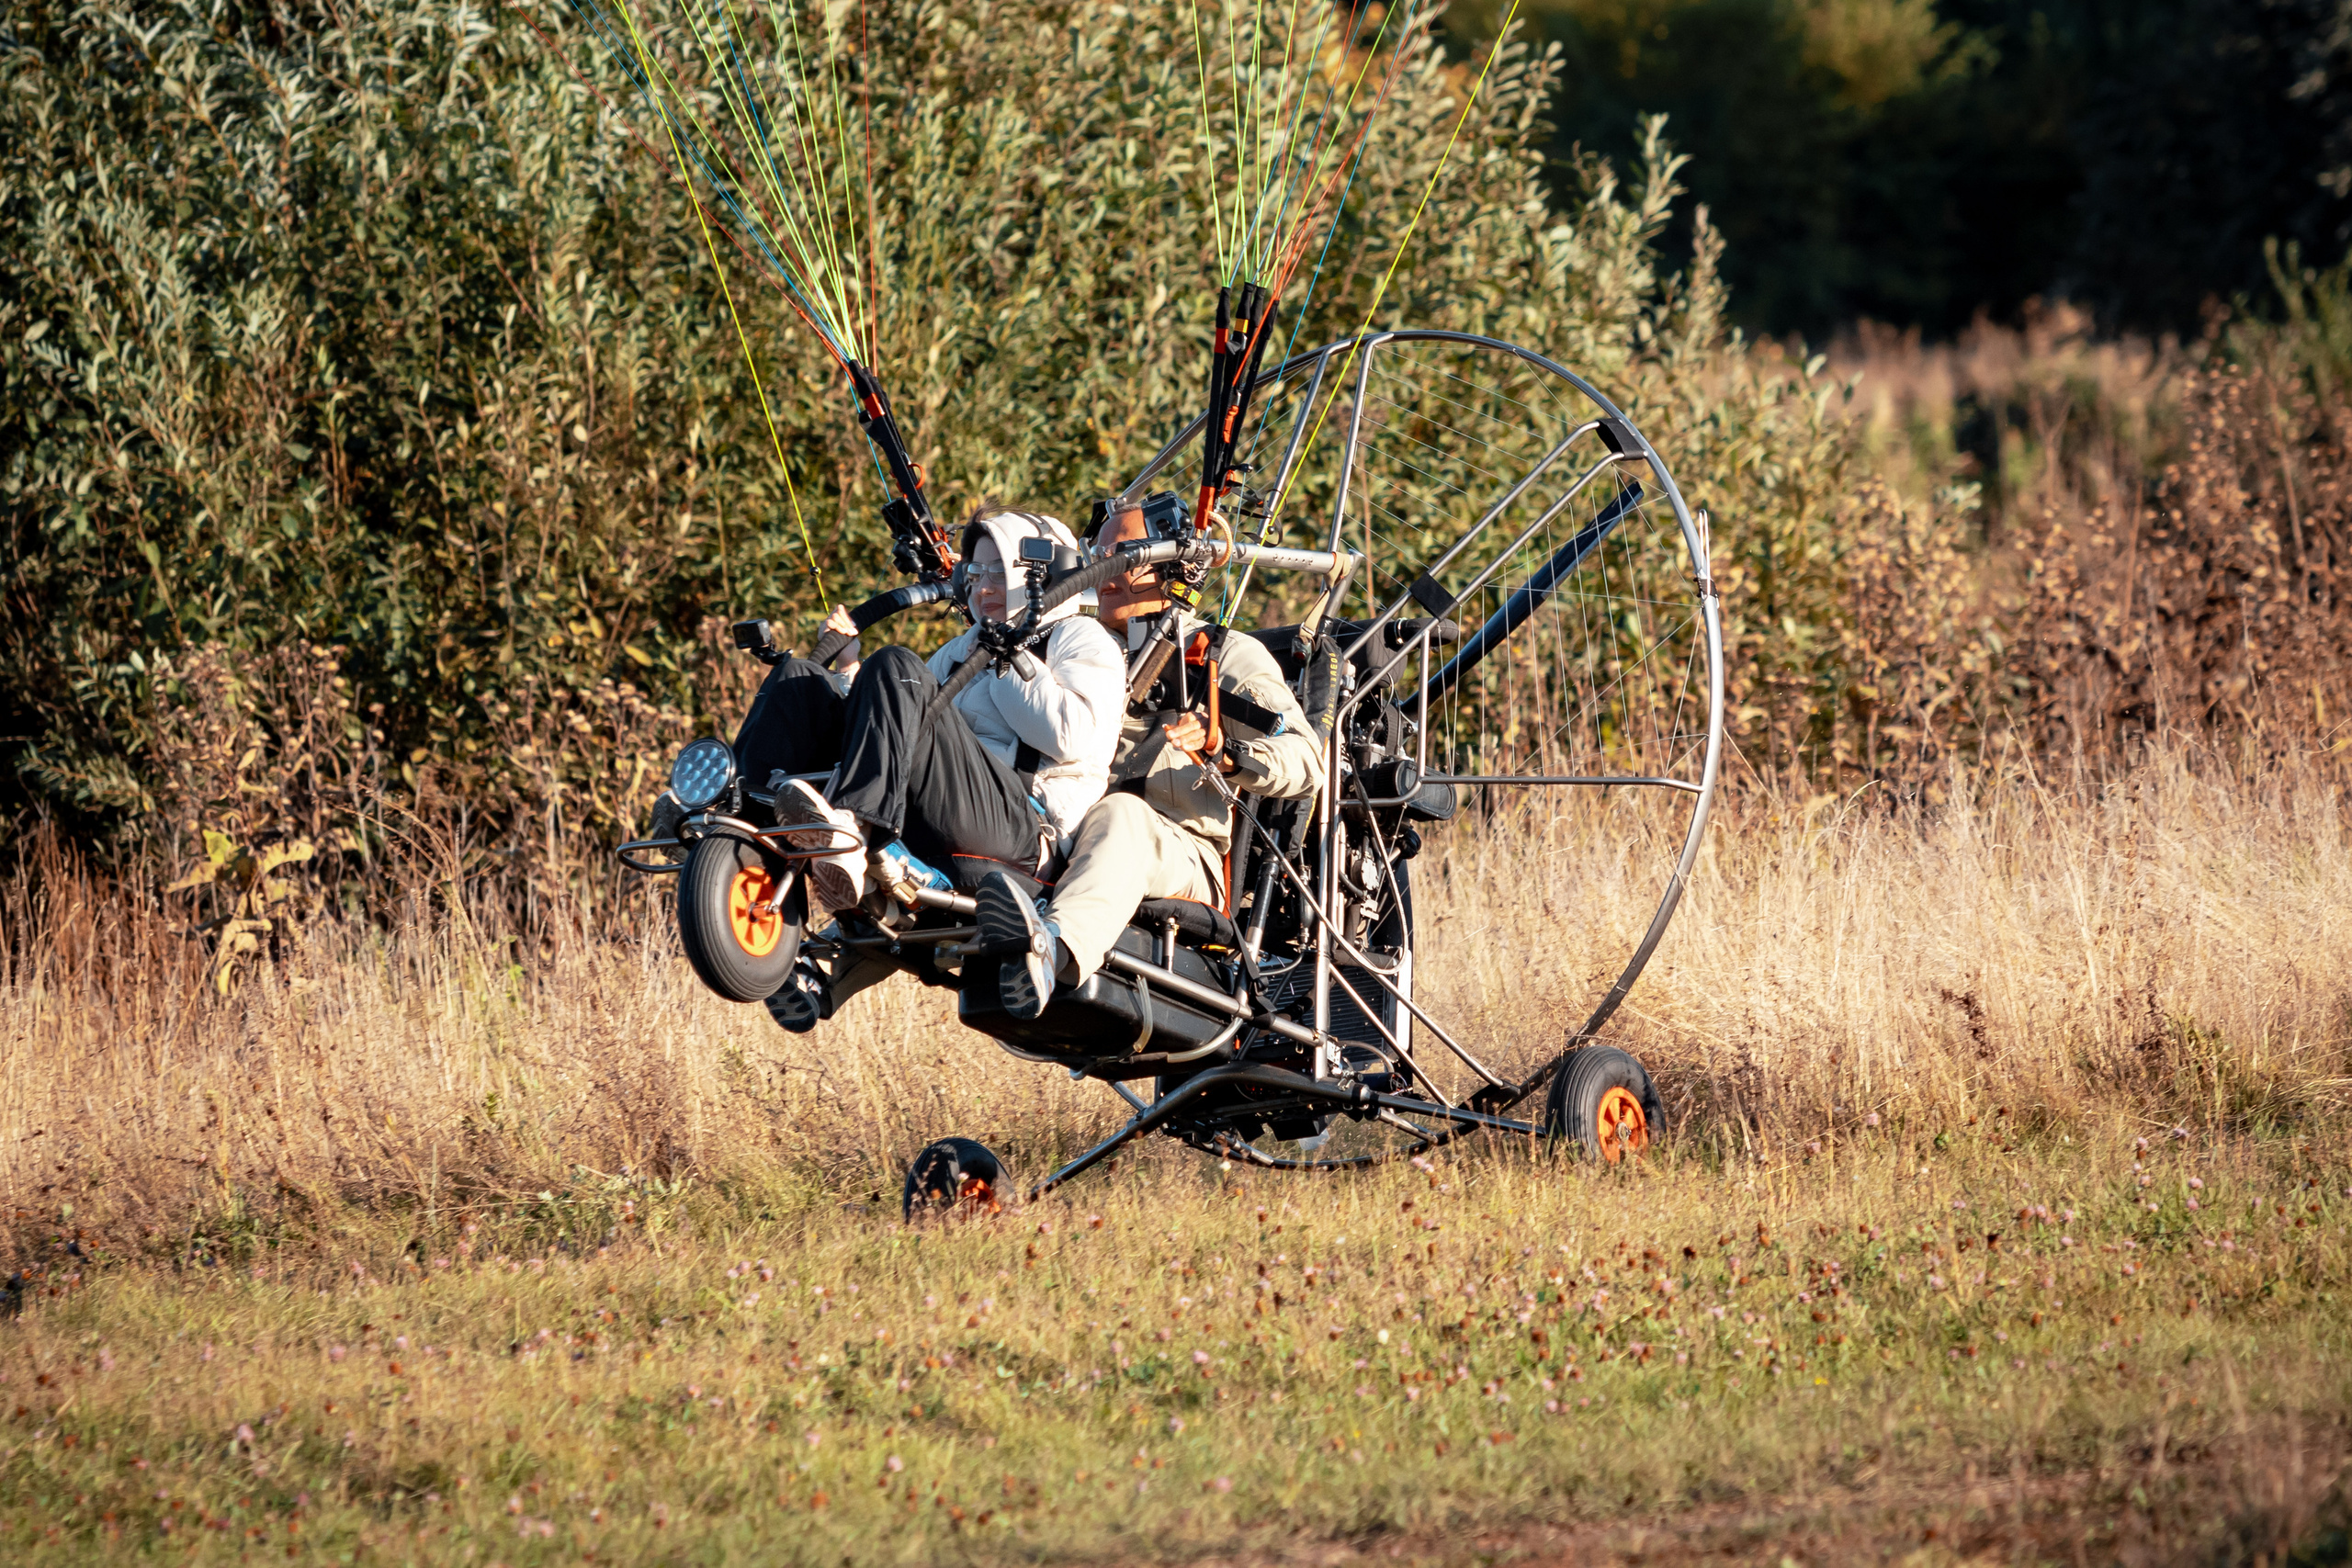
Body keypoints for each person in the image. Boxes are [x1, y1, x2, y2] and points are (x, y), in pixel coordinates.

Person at [735, 508, 1125, 1031]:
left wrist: (1008, 655)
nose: (981, 587)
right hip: (943, 814)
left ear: (1037, 577)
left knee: (898, 664)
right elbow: (903, 729)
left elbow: (1072, 735)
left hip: (1021, 831)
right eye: (975, 574)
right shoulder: (962, 648)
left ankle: (852, 834)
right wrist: (849, 672)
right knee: (803, 679)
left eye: (997, 572)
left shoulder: (1081, 638)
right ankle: (740, 838)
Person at [974, 496, 1327, 1018]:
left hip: (1181, 852)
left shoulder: (1218, 654)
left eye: (1126, 555)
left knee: (1120, 817)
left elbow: (1306, 759)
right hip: (1068, 834)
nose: (1105, 568)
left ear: (1170, 567)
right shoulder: (1074, 646)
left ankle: (1053, 954)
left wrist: (1225, 750)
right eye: (1099, 553)